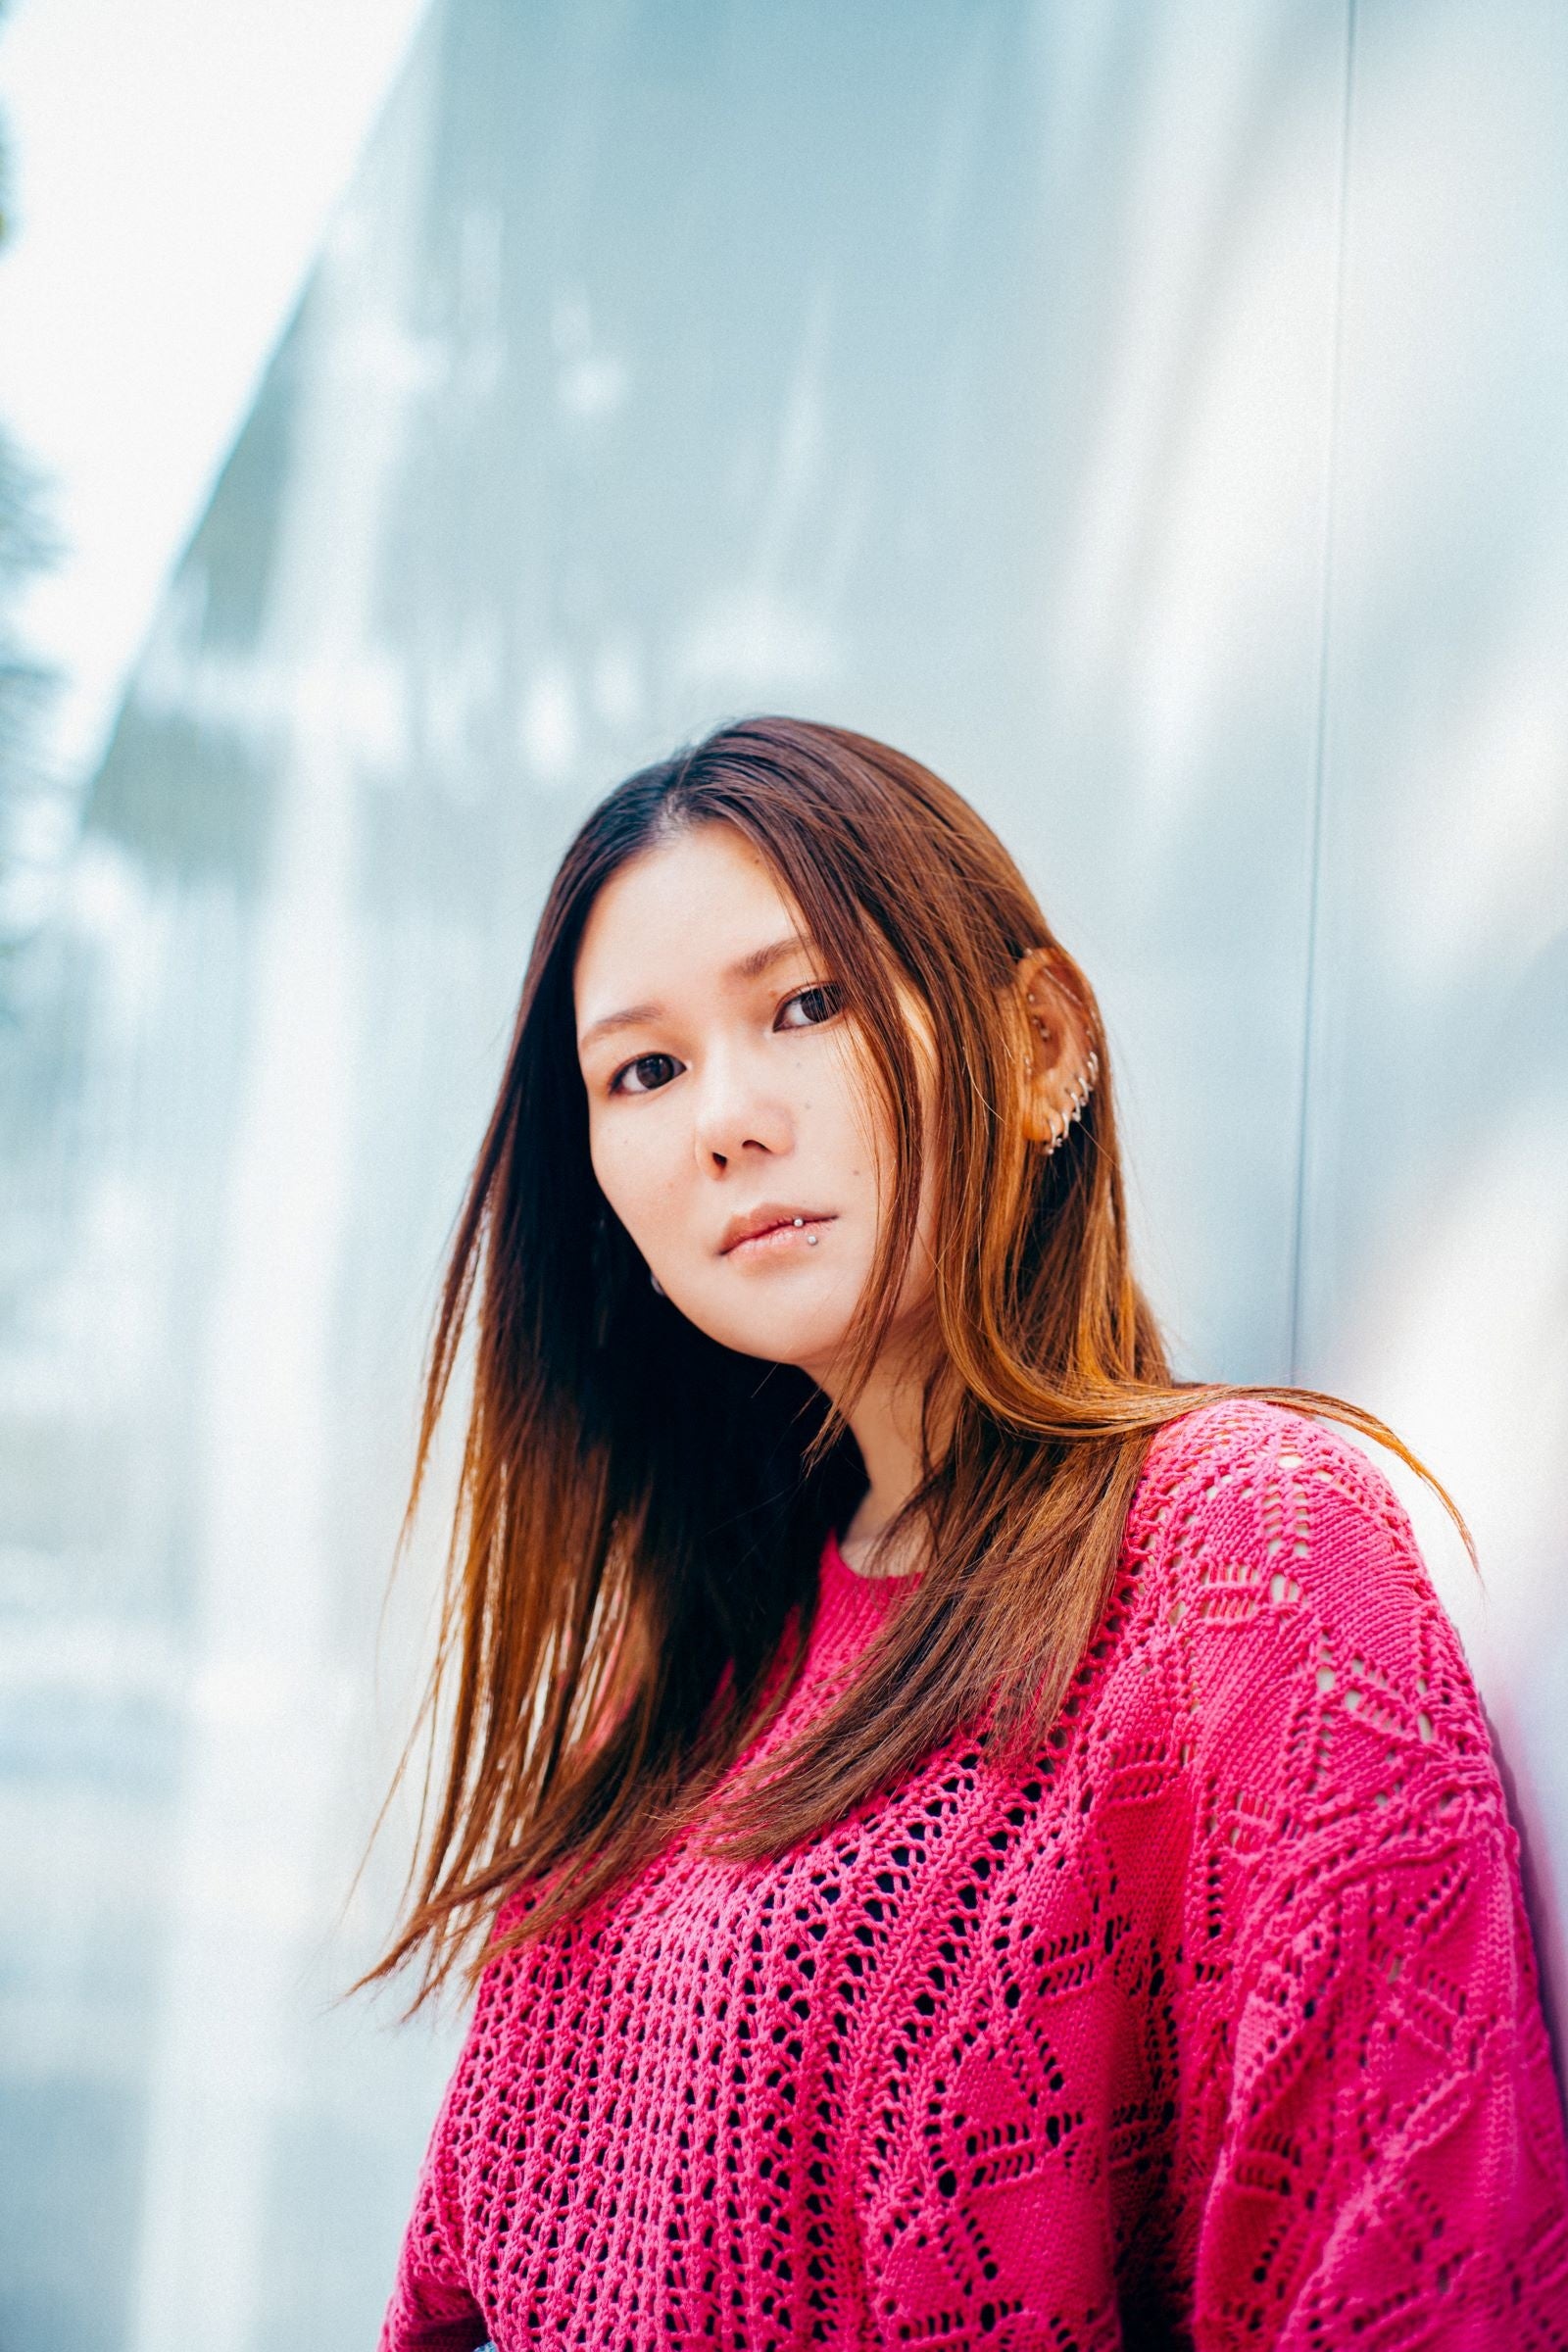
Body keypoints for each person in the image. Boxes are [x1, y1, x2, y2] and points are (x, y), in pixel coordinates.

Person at [364, 715, 1568, 2349]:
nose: (726, 1118)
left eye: (807, 1002)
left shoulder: (1247, 1561)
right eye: (644, 1070)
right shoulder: (685, 1665)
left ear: (1040, 1043)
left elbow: (1407, 2278)